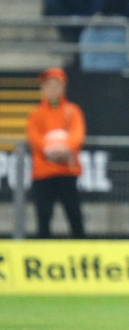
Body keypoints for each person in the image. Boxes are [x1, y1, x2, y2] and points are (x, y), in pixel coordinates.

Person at [25, 68, 86, 239]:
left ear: (63, 88)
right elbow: (34, 136)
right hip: (43, 172)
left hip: (67, 171)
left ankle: (82, 251)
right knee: (44, 214)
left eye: (57, 85)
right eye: (49, 86)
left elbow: (77, 133)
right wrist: (49, 150)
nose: (53, 90)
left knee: (74, 212)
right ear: (43, 89)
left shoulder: (72, 111)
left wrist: (66, 149)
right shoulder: (36, 114)